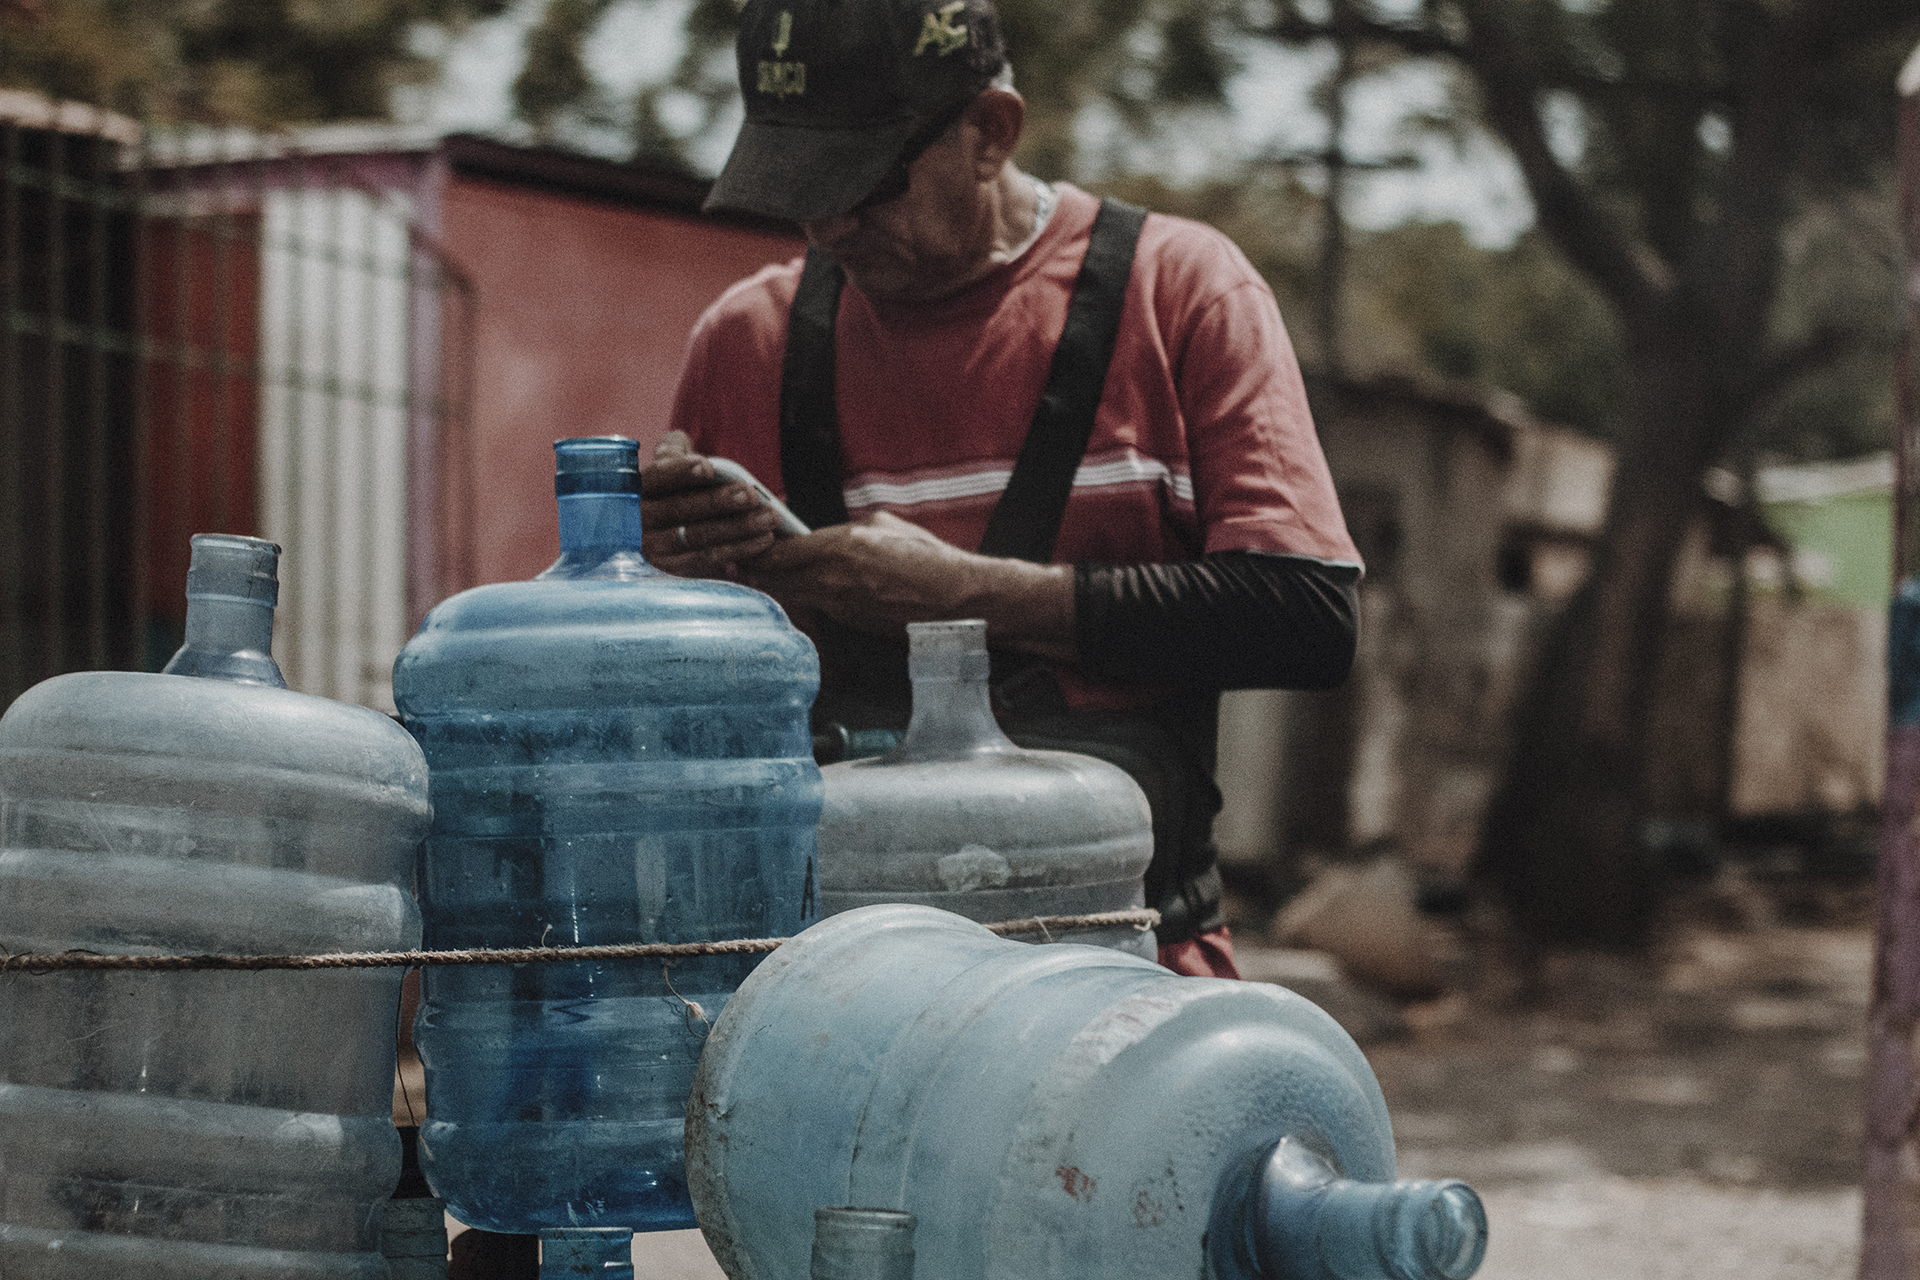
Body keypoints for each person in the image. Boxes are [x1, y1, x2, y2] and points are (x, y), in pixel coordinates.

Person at [641, 0, 1361, 979]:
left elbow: (1308, 617)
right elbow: (686, 722)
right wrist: (671, 586)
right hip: (829, 991)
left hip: (1120, 970)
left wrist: (961, 594)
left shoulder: (1179, 292)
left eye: (867, 181)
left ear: (989, 133)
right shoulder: (746, 341)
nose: (830, 222)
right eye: (801, 186)